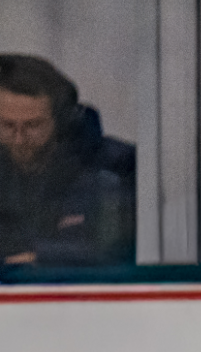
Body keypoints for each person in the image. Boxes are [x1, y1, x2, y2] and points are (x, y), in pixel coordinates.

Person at [0, 54, 135, 267]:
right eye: (7, 126)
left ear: (61, 121)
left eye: (33, 126)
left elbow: (113, 252)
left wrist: (44, 258)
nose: (19, 139)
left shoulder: (115, 167)